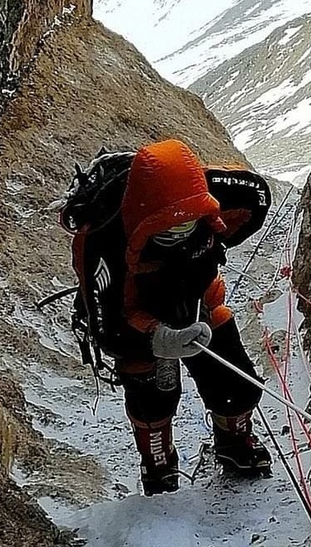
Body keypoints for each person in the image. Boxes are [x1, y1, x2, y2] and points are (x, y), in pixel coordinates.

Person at [100, 138, 272, 495]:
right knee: (150, 397)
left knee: (237, 384)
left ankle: (234, 441)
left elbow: (253, 205)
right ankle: (157, 460)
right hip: (136, 321)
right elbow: (111, 323)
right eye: (166, 232)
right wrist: (155, 334)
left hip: (201, 300)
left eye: (188, 226)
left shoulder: (224, 197)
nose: (178, 236)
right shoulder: (107, 245)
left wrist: (220, 238)